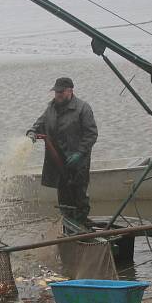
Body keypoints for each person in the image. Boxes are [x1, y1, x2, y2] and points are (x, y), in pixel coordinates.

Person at [27, 77, 98, 222]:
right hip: (57, 161)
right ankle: (67, 224)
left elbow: (91, 134)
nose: (58, 95)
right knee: (63, 197)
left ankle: (82, 225)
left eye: (61, 92)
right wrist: (32, 132)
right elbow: (39, 124)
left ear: (70, 91)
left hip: (78, 162)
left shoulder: (83, 108)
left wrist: (79, 153)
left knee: (79, 195)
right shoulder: (51, 108)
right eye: (56, 92)